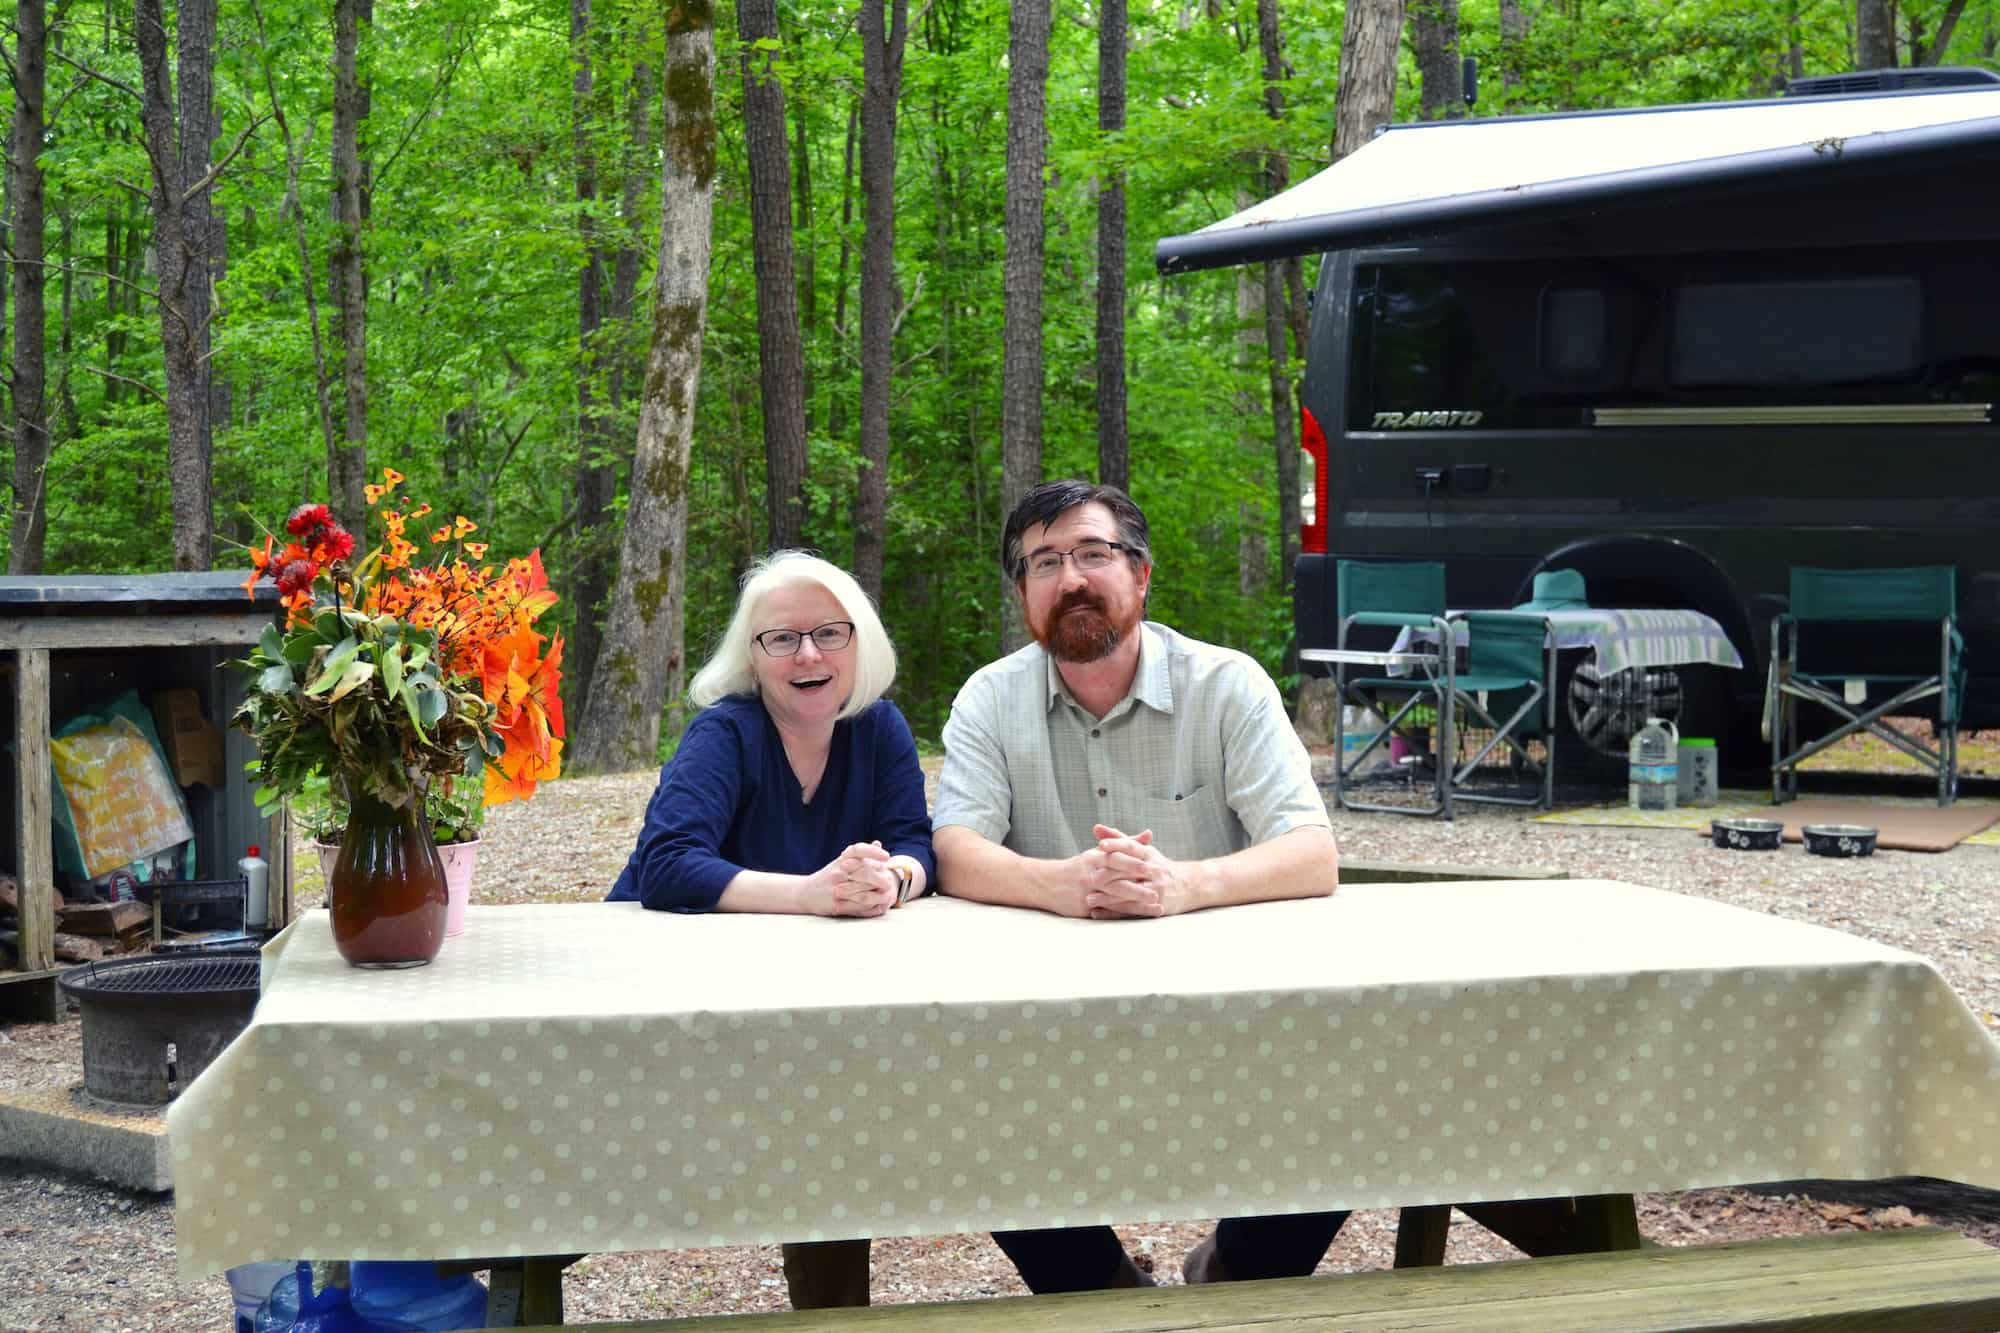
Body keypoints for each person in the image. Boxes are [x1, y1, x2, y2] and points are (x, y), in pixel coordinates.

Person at [931, 479, 1344, 1292]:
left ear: (1142, 574)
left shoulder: (1228, 685)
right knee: (968, 1101)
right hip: (1046, 1022)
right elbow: (953, 848)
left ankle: (1236, 1268)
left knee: (1349, 1089)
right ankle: (1101, 1290)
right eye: (1043, 562)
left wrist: (1185, 883)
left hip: (1235, 1010)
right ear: (1023, 595)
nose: (1071, 577)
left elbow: (1312, 851)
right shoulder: (989, 697)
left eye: (1093, 552)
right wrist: (1061, 884)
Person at [606, 550, 933, 1308]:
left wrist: (895, 879)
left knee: (832, 1127)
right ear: (751, 658)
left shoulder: (879, 727)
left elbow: (917, 840)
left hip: (805, 1003)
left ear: (861, 644)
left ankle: (833, 1314)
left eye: (828, 632)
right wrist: (813, 894)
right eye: (781, 639)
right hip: (666, 993)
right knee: (632, 1167)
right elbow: (667, 865)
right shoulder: (725, 732)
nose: (809, 654)